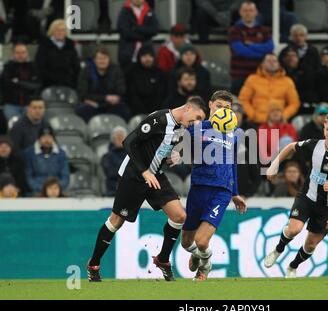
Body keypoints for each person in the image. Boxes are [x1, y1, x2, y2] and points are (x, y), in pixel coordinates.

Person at [86, 96, 209, 282]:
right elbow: (129, 143)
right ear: (188, 108)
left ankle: (163, 259)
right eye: (197, 117)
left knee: (179, 216)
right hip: (135, 174)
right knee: (116, 221)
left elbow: (174, 145)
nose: (197, 122)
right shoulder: (159, 119)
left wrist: (178, 155)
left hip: (156, 175)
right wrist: (144, 172)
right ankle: (93, 264)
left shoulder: (183, 126)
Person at [264, 114, 328, 277]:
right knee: (294, 229)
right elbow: (291, 147)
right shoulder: (315, 145)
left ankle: (293, 267)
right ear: (324, 131)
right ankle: (278, 250)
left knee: (311, 245)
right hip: (307, 197)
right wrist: (274, 165)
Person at [180, 91, 247, 281]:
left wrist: (234, 193)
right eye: (219, 106)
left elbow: (233, 163)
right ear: (210, 105)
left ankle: (206, 265)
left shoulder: (234, 134)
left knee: (201, 241)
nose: (223, 111)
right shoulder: (197, 128)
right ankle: (200, 256)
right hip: (199, 186)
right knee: (186, 242)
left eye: (227, 108)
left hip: (221, 190)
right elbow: (181, 146)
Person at [238, 53, 300, 126]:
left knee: (282, 137)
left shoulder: (287, 81)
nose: (272, 63)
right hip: (257, 122)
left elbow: (294, 103)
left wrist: (283, 115)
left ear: (279, 64)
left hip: (279, 123)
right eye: (268, 61)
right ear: (262, 64)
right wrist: (252, 115)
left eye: (274, 61)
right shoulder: (252, 79)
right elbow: (243, 100)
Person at [228, 0, 273, 95]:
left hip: (260, 74)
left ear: (256, 12)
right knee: (238, 106)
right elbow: (241, 51)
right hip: (239, 75)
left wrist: (250, 45)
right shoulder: (234, 30)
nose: (248, 13)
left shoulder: (264, 30)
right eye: (245, 10)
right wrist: (261, 52)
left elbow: (270, 47)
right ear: (240, 12)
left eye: (251, 10)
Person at [76, 47, 130, 123]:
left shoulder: (116, 70)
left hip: (111, 104)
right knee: (82, 110)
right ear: (94, 60)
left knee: (124, 111)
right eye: (99, 58)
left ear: (109, 59)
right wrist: (105, 98)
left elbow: (121, 90)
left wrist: (116, 98)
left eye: (105, 58)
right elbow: (82, 93)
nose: (102, 61)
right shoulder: (86, 71)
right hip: (92, 104)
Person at [24, 126, 69, 196]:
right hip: (37, 191)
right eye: (44, 137)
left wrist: (56, 189)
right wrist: (44, 189)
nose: (47, 140)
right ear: (38, 139)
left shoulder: (61, 153)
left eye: (49, 137)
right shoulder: (30, 153)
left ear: (53, 139)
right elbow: (28, 177)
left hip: (57, 191)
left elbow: (65, 176)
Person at [35, 19, 80, 88]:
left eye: (62, 30)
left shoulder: (70, 46)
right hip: (48, 84)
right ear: (52, 31)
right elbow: (40, 66)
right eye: (57, 30)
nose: (60, 32)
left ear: (66, 32)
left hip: (67, 84)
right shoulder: (44, 45)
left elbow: (76, 66)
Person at [1, 43, 41, 120]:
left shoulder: (33, 67)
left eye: (23, 52)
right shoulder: (7, 67)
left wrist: (18, 81)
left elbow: (36, 85)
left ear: (27, 53)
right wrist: (27, 83)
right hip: (11, 104)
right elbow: (6, 85)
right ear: (13, 54)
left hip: (29, 104)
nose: (21, 55)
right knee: (13, 128)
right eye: (18, 53)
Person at [125, 43, 167, 116]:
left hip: (156, 112)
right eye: (144, 56)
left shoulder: (160, 73)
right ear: (139, 57)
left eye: (150, 56)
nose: (147, 59)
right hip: (136, 112)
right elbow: (132, 95)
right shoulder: (132, 73)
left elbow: (161, 94)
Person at [117, 0, 158, 71]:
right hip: (128, 54)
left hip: (146, 53)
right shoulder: (124, 11)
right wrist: (145, 36)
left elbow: (154, 30)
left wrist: (136, 28)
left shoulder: (149, 10)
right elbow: (126, 33)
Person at [101, 126, 128, 196]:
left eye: (121, 137)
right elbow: (111, 173)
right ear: (113, 140)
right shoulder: (106, 157)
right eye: (117, 137)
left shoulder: (132, 155)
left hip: (130, 191)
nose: (120, 139)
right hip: (112, 192)